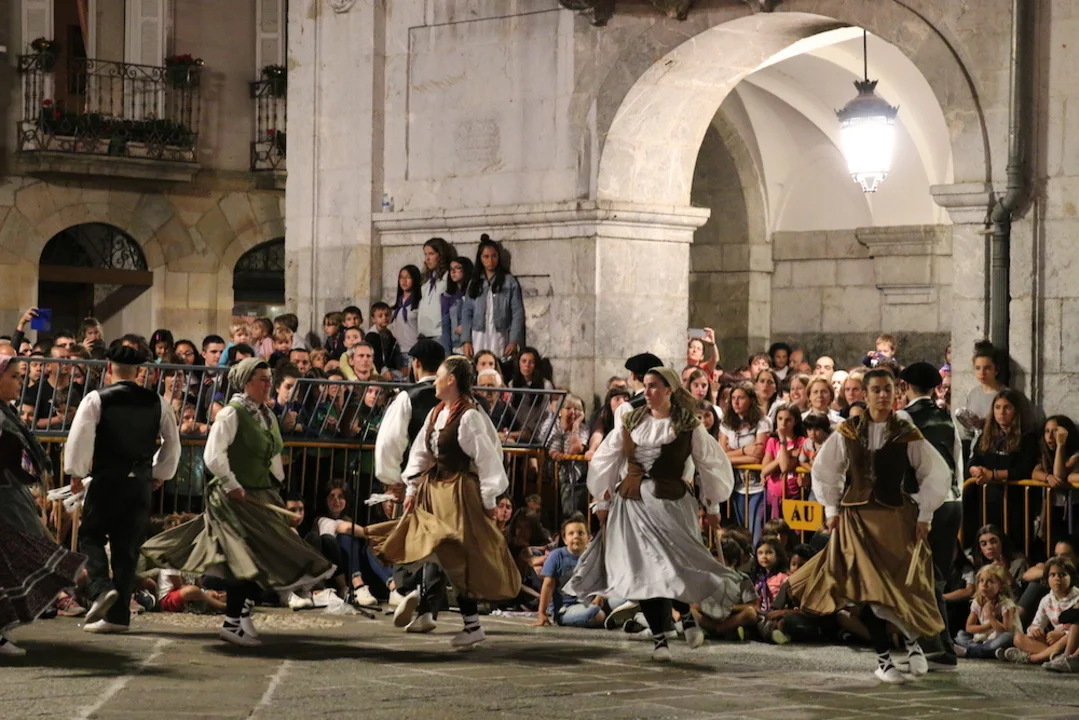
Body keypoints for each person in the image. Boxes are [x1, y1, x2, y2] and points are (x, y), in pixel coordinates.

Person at [141, 358, 335, 647]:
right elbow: (213, 455)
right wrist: (232, 484)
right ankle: (233, 622)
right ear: (246, 383)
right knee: (240, 559)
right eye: (262, 379)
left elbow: (272, 457)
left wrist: (275, 489)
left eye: (269, 379)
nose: (268, 384)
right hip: (232, 499)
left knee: (260, 558)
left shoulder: (267, 415)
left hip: (259, 494)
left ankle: (241, 616)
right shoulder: (232, 413)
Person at [787, 369, 952, 684]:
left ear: (896, 392)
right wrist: (831, 509)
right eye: (876, 389)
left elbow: (934, 471)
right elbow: (826, 469)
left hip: (895, 518)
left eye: (888, 389)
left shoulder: (905, 430)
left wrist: (925, 515)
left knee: (903, 584)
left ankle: (912, 641)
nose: (883, 395)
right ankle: (884, 660)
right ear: (865, 394)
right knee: (868, 589)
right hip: (857, 519)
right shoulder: (849, 430)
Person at [565, 366, 737, 662]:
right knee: (642, 572)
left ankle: (685, 615)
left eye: (654, 385)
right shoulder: (630, 420)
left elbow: (709, 465)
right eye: (645, 385)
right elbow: (608, 458)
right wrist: (601, 502)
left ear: (669, 389)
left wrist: (712, 506)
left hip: (671, 506)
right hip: (632, 506)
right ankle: (660, 639)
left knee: (674, 568)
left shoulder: (688, 425)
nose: (647, 391)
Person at [365, 355, 521, 648]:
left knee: (458, 555)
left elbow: (489, 460)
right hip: (434, 489)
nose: (434, 381)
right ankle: (416, 595)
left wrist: (489, 500)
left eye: (438, 376)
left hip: (459, 492)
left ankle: (467, 622)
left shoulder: (470, 416)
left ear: (451, 380)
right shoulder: (437, 413)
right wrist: (412, 490)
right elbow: (421, 454)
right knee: (427, 543)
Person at [64, 345, 181, 634]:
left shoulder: (97, 399)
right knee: (127, 549)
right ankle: (118, 617)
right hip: (139, 483)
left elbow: (80, 437)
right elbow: (172, 441)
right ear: (139, 370)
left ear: (109, 367)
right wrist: (159, 473)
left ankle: (101, 588)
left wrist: (76, 472)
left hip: (107, 479)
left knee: (91, 534)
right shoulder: (158, 402)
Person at [0, 352, 87, 656]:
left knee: (11, 564)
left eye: (20, 377)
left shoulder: (7, 415)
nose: (19, 383)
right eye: (13, 377)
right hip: (5, 502)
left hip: (11, 498)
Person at [372, 338, 447, 633]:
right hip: (447, 484)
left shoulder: (407, 397)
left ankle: (406, 590)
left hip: (412, 482)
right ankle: (429, 608)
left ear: (415, 364)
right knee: (439, 543)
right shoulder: (458, 398)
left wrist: (391, 481)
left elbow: (389, 442)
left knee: (408, 535)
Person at [898, 361, 964, 671]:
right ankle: (936, 647)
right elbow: (958, 460)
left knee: (922, 579)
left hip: (923, 505)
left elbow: (903, 466)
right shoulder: (946, 418)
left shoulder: (904, 418)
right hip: (951, 501)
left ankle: (938, 650)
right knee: (933, 576)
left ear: (905, 387)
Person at [460, 234, 525, 360]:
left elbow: (517, 312)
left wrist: (513, 340)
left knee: (497, 362)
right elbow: (467, 312)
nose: (490, 260)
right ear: (480, 258)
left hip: (499, 333)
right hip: (479, 333)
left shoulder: (508, 281)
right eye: (486, 256)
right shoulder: (474, 282)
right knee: (480, 362)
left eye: (494, 256)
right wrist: (466, 340)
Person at [954, 564, 1021, 659]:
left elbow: (1006, 630)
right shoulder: (977, 602)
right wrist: (988, 626)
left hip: (1001, 638)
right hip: (985, 638)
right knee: (961, 635)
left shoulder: (1006, 604)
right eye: (981, 581)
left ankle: (969, 651)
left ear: (1001, 586)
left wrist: (990, 616)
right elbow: (969, 627)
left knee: (1007, 637)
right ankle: (983, 650)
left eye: (990, 582)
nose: (984, 585)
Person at [418, 237, 455, 345]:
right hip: (424, 333)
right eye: (425, 254)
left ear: (441, 255)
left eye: (431, 254)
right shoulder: (427, 278)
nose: (427, 258)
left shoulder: (448, 276)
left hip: (439, 332)